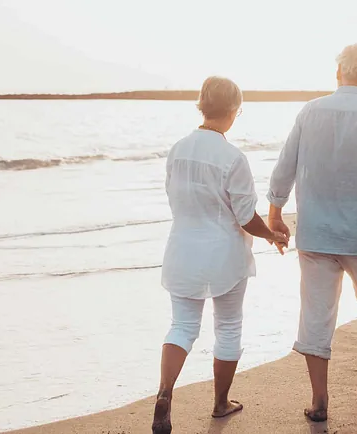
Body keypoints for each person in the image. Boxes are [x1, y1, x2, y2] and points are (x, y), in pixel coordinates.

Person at [266, 44, 357, 422]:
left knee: (315, 313)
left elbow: (285, 166)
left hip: (315, 233)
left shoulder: (310, 111)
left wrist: (275, 212)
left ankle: (319, 399)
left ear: (338, 73)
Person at [152, 76, 289, 434]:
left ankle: (165, 393)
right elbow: (244, 216)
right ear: (232, 111)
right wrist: (271, 233)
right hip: (224, 254)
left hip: (182, 248)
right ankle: (219, 403)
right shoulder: (233, 157)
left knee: (181, 326)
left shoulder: (177, 149)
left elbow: (175, 198)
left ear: (202, 105)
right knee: (228, 327)